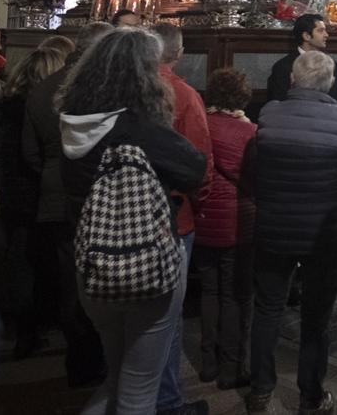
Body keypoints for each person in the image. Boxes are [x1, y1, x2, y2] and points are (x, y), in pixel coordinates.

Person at [59, 28, 209, 415]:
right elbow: (194, 167)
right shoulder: (137, 129)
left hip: (91, 261)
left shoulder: (74, 120)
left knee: (117, 376)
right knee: (139, 390)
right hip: (144, 260)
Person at [246, 51, 337, 414]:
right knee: (317, 316)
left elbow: (251, 173)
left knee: (267, 309)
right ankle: (311, 394)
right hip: (325, 234)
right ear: (331, 83)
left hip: (275, 227)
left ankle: (261, 390)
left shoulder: (268, 115)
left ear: (293, 80)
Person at [22, 20, 112, 387]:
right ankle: (98, 360)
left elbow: (29, 151)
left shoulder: (42, 87)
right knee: (98, 281)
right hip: (94, 193)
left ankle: (78, 361)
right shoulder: (101, 87)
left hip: (54, 193)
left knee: (68, 279)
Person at [149, 22, 215, 415]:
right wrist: (198, 203)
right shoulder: (183, 94)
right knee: (167, 316)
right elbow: (198, 162)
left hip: (123, 213)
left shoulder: (122, 90)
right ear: (177, 53)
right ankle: (167, 402)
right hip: (176, 216)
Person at [0, 44, 67, 359]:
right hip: (37, 194)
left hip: (10, 194)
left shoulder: (7, 104)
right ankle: (40, 325)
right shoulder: (45, 107)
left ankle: (23, 328)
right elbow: (34, 154)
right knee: (44, 264)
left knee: (19, 260)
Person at [192, 68, 256, 389]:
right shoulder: (249, 132)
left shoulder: (200, 124)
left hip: (204, 216)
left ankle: (207, 362)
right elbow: (255, 177)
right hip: (237, 220)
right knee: (235, 295)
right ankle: (231, 367)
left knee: (209, 291)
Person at [267, 14, 337, 102]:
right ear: (306, 36)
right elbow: (278, 101)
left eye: (325, 31)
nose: (326, 35)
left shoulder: (332, 65)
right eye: (321, 31)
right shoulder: (282, 67)